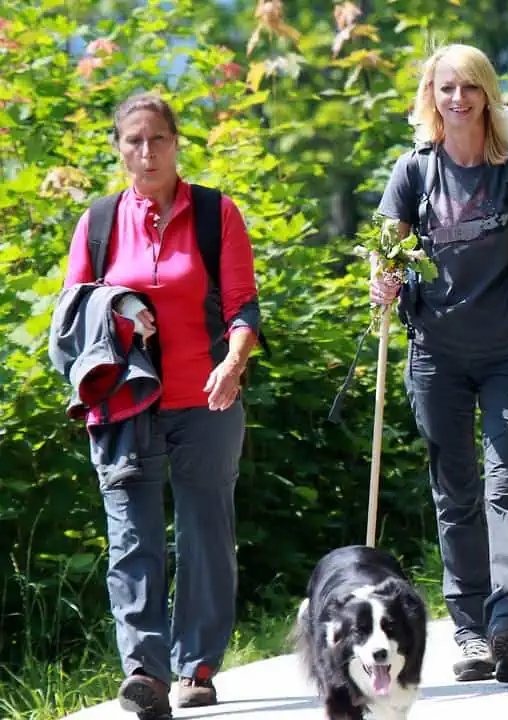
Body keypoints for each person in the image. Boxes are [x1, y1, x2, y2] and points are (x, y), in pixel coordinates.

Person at [54, 93, 262, 719]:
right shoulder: (97, 221)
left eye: (158, 140)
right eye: (134, 141)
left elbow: (244, 307)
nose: (147, 153)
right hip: (122, 403)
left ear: (177, 143)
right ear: (118, 148)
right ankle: (144, 672)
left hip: (206, 397)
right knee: (131, 538)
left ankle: (196, 667)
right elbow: (69, 313)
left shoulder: (213, 213)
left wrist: (233, 362)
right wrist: (114, 305)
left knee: (205, 534)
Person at [370, 43, 508, 684]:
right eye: (446, 88)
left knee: (506, 482)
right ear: (431, 97)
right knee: (454, 493)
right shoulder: (414, 172)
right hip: (435, 352)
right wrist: (382, 282)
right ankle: (468, 629)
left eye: (470, 87)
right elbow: (384, 251)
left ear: (488, 94)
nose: (458, 98)